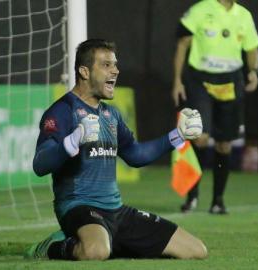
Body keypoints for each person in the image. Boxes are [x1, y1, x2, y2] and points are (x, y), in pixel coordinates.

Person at [24, 39, 207, 260]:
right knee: (96, 251)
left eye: (115, 65)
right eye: (106, 65)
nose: (116, 71)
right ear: (84, 71)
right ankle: (53, 245)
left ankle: (108, 240)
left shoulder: (111, 115)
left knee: (196, 250)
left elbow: (135, 155)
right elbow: (40, 164)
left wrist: (178, 135)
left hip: (116, 211)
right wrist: (73, 141)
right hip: (78, 207)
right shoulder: (62, 111)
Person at [172, 0, 258, 214]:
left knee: (224, 145)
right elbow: (182, 44)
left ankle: (218, 200)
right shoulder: (201, 10)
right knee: (199, 137)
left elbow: (252, 49)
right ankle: (192, 195)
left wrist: (253, 71)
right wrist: (177, 80)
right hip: (200, 80)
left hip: (230, 82)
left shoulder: (244, 15)